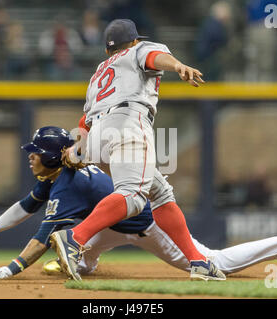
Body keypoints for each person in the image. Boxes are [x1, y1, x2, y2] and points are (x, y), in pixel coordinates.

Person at [0, 126, 277, 280]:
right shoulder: (58, 175)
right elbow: (26, 206)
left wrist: (8, 270)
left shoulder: (66, 185)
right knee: (82, 238)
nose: (30, 157)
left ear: (50, 156)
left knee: (212, 259)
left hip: (143, 225)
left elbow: (41, 238)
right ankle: (85, 259)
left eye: (34, 153)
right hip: (111, 221)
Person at [49, 19, 264, 282]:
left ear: (107, 50)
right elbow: (154, 56)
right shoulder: (138, 49)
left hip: (97, 137)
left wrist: (76, 151)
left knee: (160, 192)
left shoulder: (97, 74)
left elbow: (86, 122)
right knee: (134, 197)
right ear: (135, 40)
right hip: (128, 122)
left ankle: (198, 261)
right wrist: (177, 65)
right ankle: (75, 237)